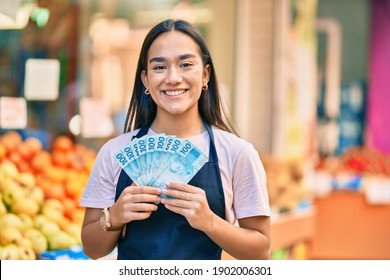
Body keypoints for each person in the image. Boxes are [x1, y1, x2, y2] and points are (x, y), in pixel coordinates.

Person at [80, 18, 271, 260]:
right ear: (146, 80)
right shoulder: (113, 151)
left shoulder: (238, 153)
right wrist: (115, 216)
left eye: (186, 64)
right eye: (159, 67)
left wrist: (209, 221)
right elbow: (92, 249)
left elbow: (261, 251)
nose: (173, 78)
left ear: (205, 75)